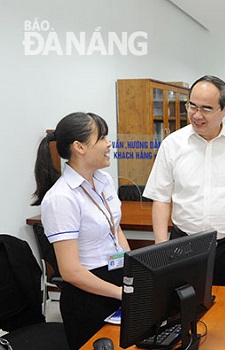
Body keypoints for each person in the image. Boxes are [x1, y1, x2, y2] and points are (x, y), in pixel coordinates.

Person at [143, 75, 225, 287]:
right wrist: (161, 248)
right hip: (183, 246)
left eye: (206, 109)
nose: (197, 115)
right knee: (183, 311)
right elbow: (161, 199)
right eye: (192, 106)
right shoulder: (172, 144)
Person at [32, 112, 131, 350]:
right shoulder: (61, 197)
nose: (109, 144)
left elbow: (114, 227)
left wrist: (132, 267)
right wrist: (119, 293)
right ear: (79, 147)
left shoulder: (105, 179)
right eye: (102, 138)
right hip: (89, 294)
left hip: (117, 278)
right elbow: (70, 271)